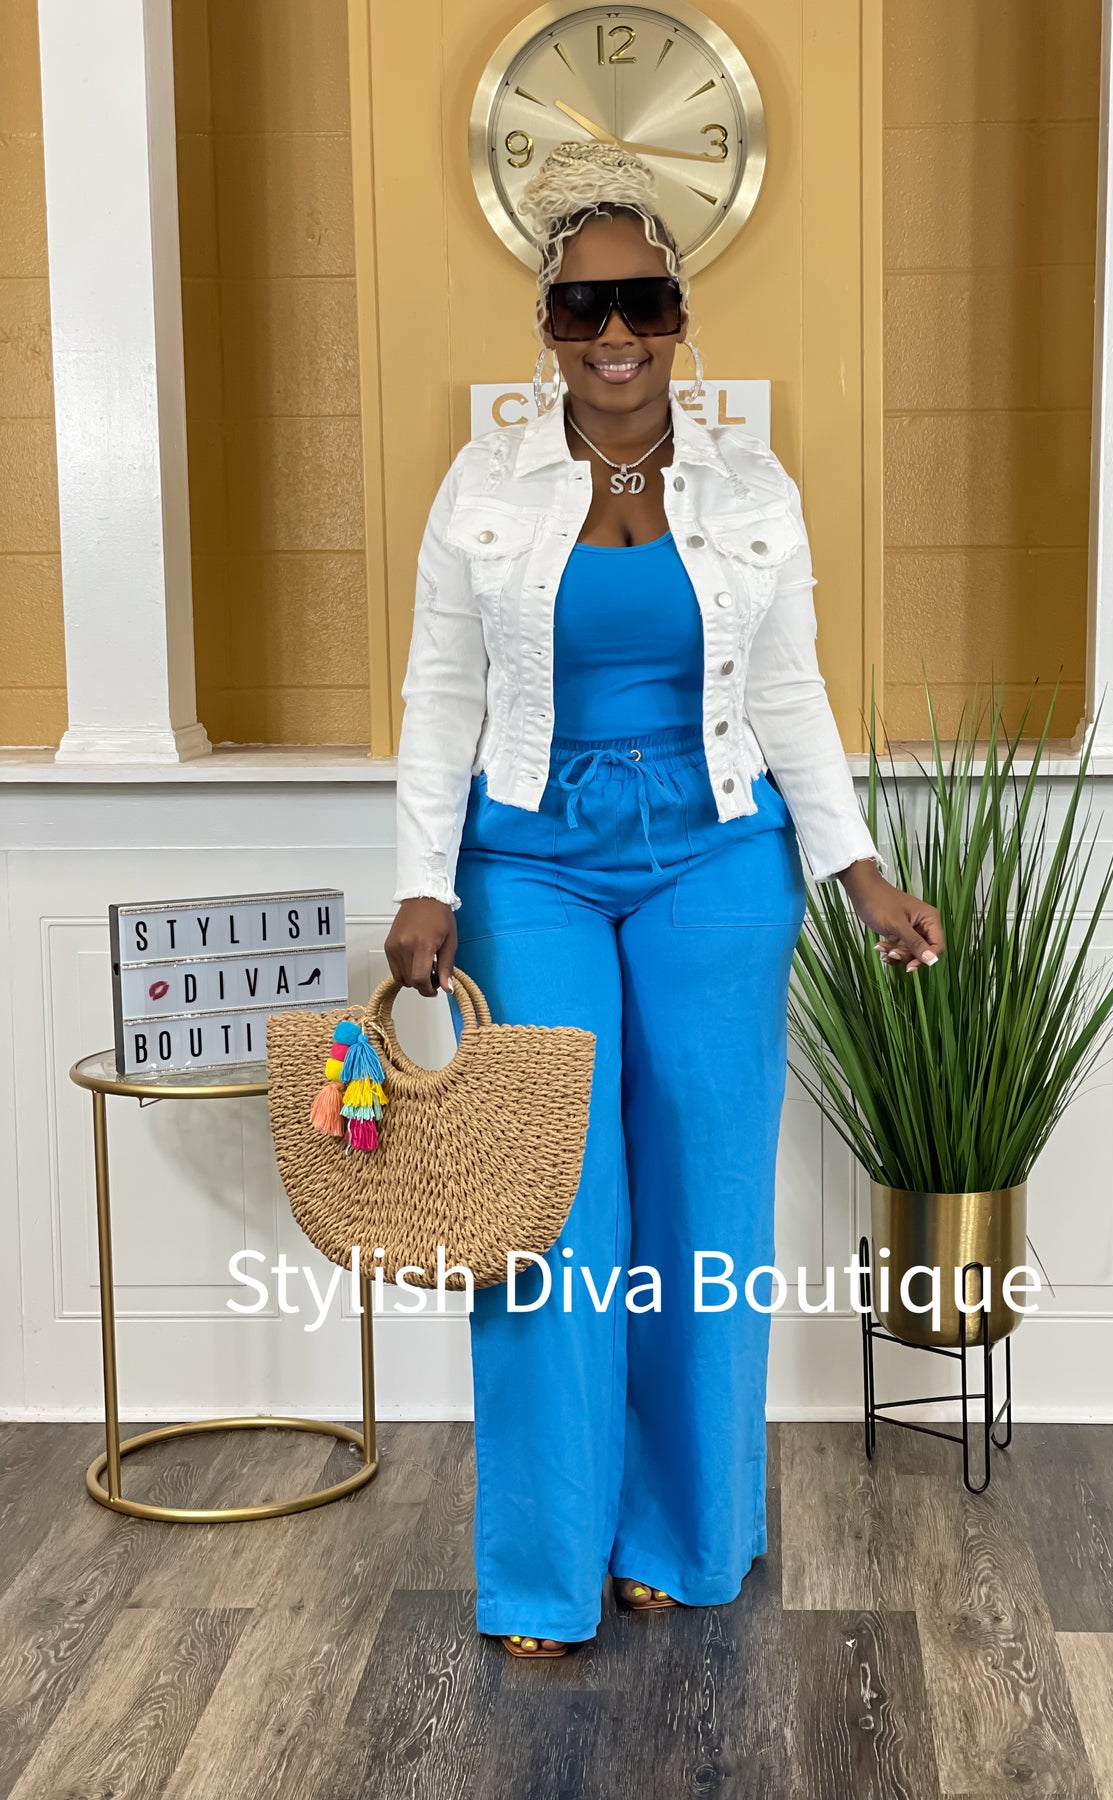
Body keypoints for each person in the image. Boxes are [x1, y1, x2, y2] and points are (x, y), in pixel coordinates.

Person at [384, 141, 945, 1658]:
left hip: (716, 858)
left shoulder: (752, 488)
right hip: (530, 863)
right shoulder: (482, 487)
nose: (615, 332)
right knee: (550, 1209)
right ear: (547, 329)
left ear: (682, 315)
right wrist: (424, 881)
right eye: (584, 308)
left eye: (642, 301)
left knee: (708, 1198)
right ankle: (545, 1572)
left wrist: (858, 870)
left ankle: (687, 1540)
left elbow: (789, 691)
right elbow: (440, 694)